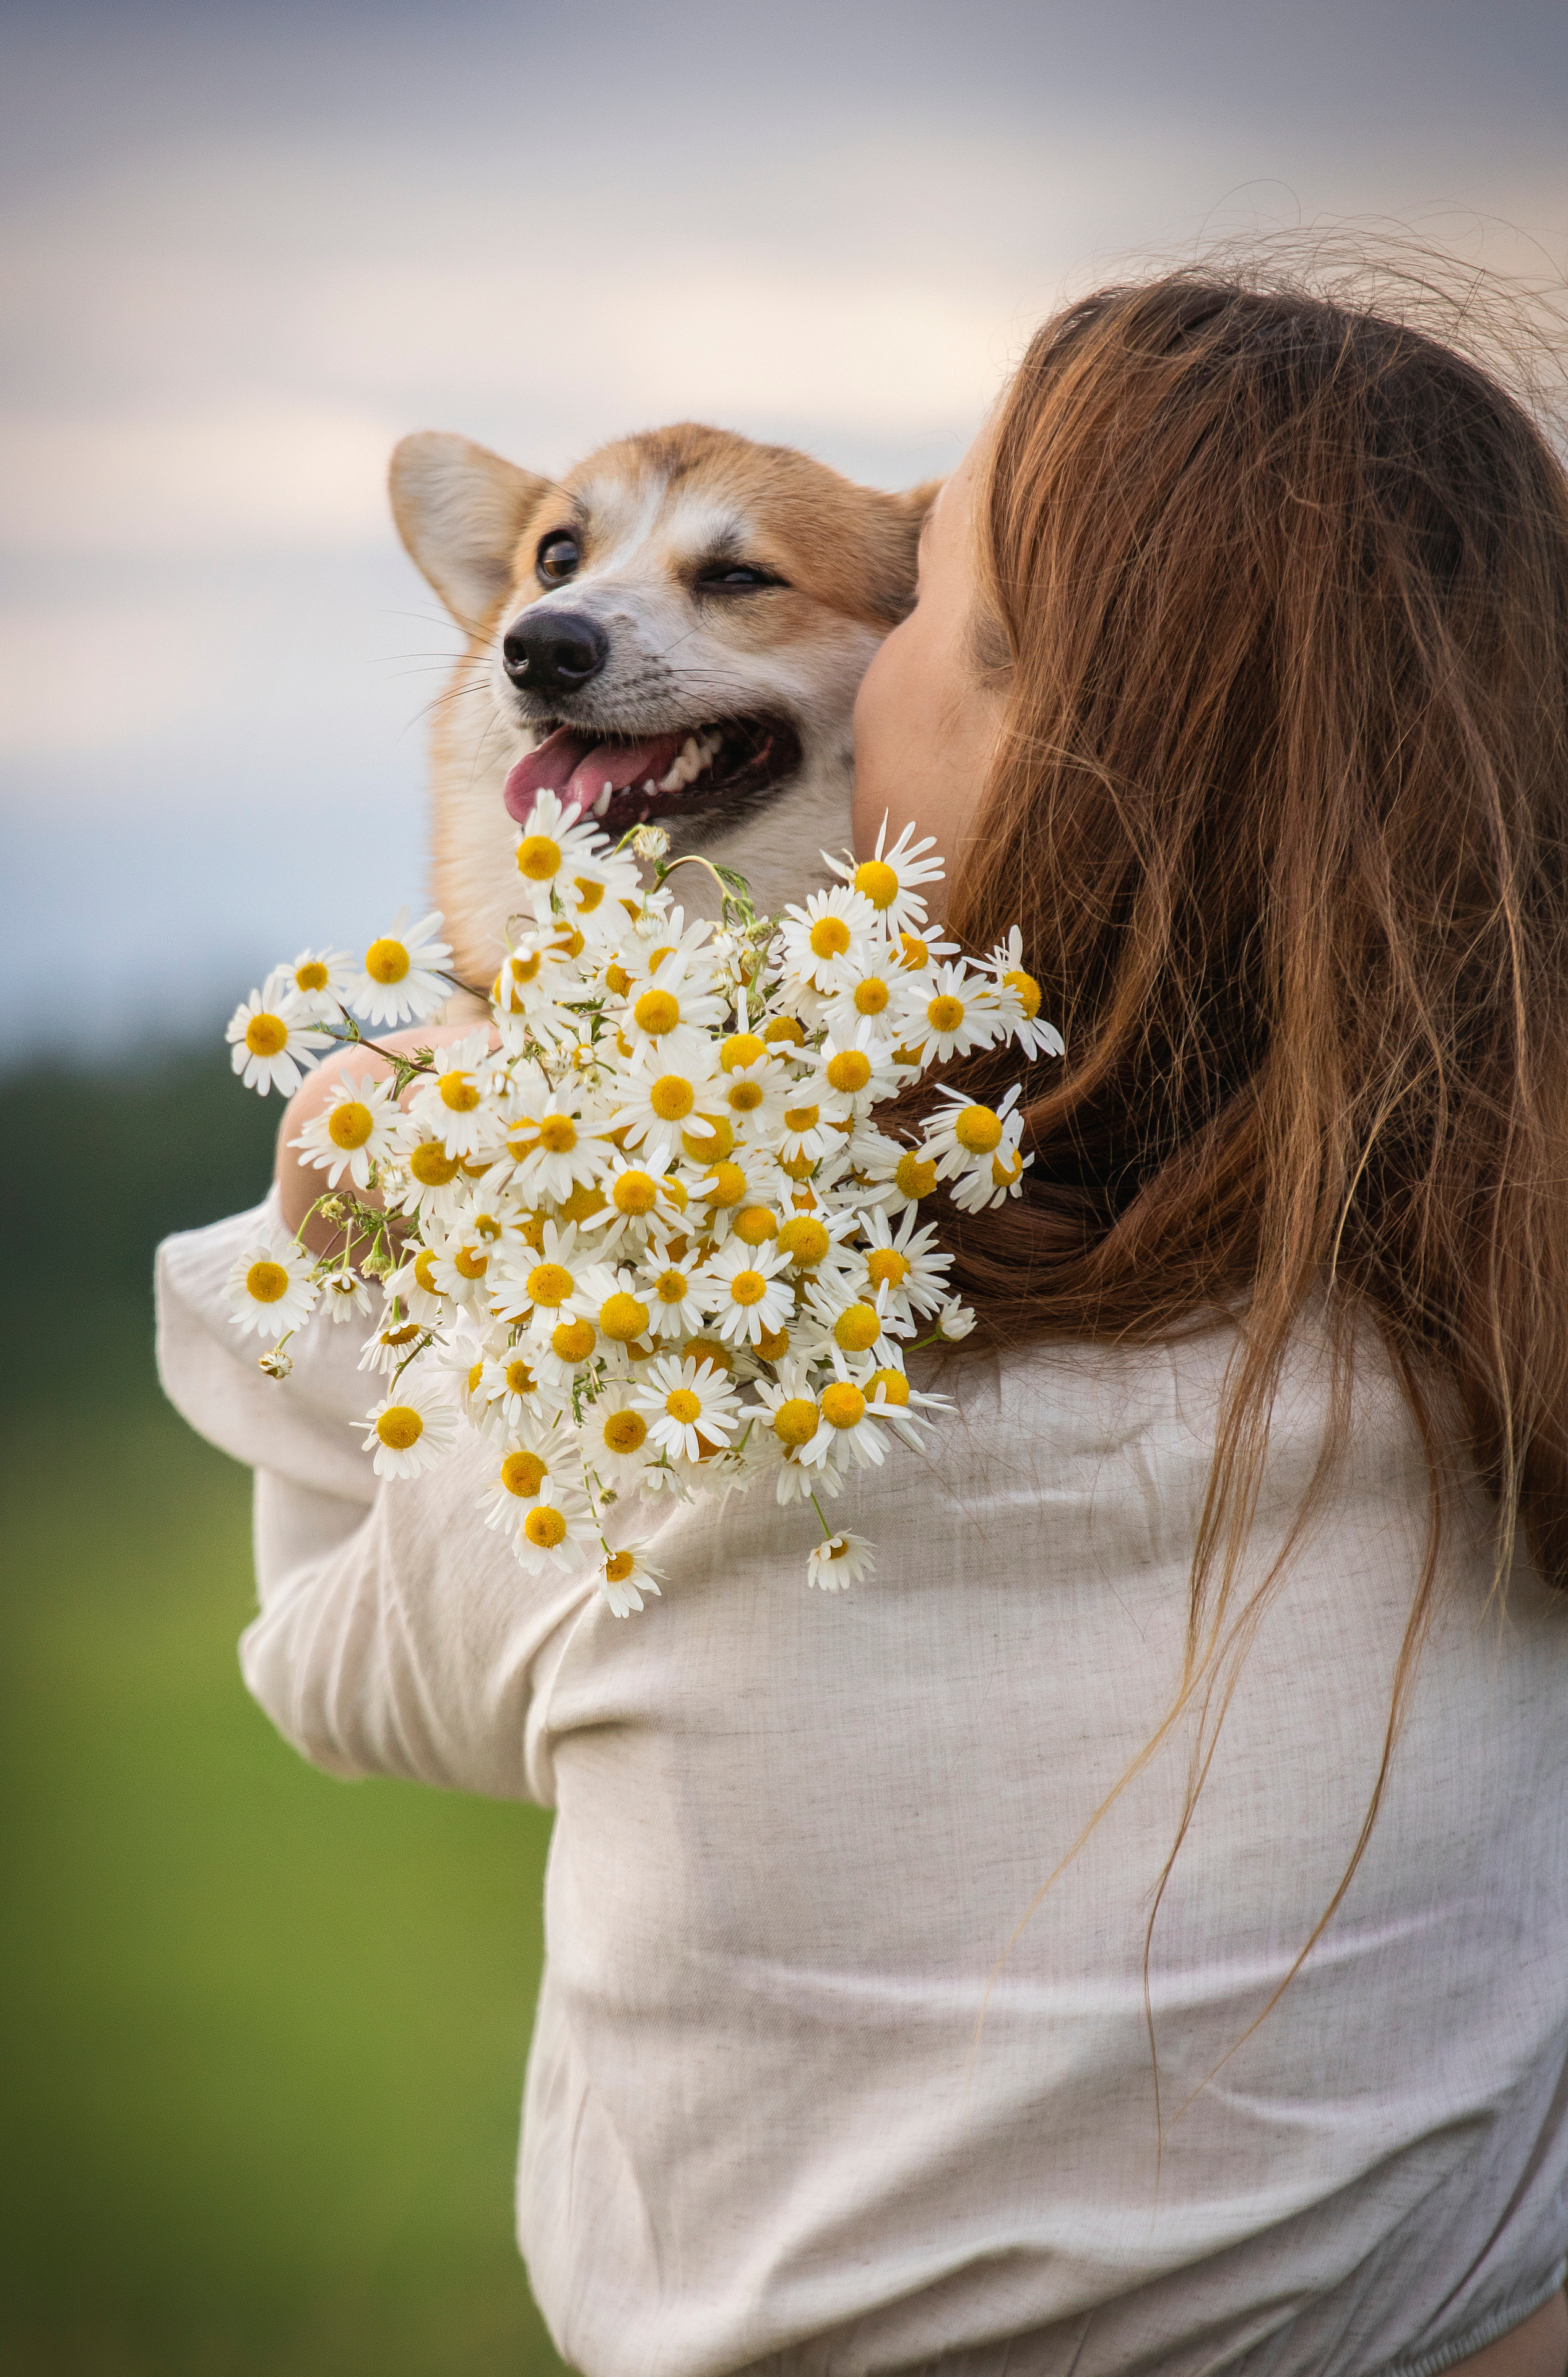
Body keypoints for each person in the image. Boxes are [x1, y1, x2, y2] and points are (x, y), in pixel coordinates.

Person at [158, 268, 1568, 2377]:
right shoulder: (1500, 1313)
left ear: (1052, 738)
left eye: (923, 615)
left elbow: (342, 1665)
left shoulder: (692, 1376)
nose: (562, 626)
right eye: (556, 577)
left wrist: (361, 1225)